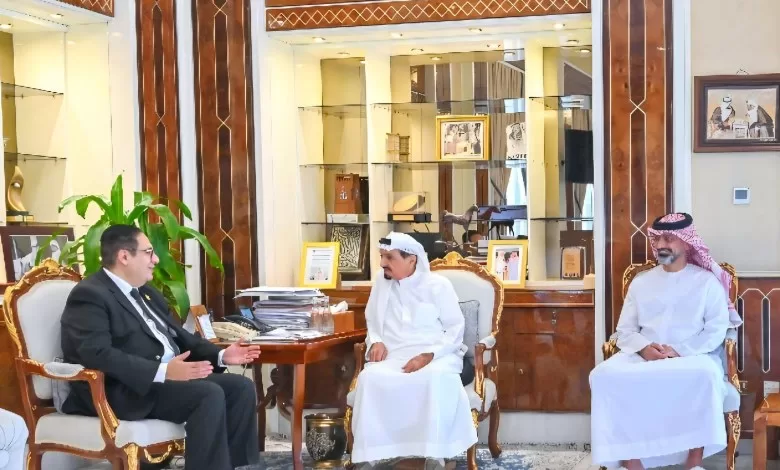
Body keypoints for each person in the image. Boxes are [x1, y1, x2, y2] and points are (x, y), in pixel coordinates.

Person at [60, 225, 261, 470]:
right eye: (148, 252)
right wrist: (163, 371)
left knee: (240, 387)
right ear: (124, 256)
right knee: (208, 394)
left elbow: (181, 337)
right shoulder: (90, 295)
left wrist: (221, 355)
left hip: (161, 382)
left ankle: (236, 467)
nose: (155, 259)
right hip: (122, 389)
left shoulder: (146, 292)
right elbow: (97, 353)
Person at [589, 213, 742, 470]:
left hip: (692, 356)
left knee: (705, 375)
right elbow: (625, 329)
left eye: (669, 239)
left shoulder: (706, 283)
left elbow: (716, 330)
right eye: (658, 238)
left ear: (686, 243)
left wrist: (679, 350)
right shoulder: (641, 282)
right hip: (644, 355)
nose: (661, 244)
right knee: (602, 375)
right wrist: (644, 349)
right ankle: (631, 460)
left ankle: (693, 461)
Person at [351, 232, 477, 469]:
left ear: (412, 260)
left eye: (390, 257)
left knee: (433, 379)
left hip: (437, 355)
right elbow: (373, 321)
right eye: (381, 256)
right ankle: (378, 455)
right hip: (395, 355)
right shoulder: (381, 283)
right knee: (370, 378)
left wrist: (427, 356)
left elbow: (455, 330)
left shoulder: (438, 286)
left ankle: (435, 455)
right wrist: (376, 341)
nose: (382, 263)